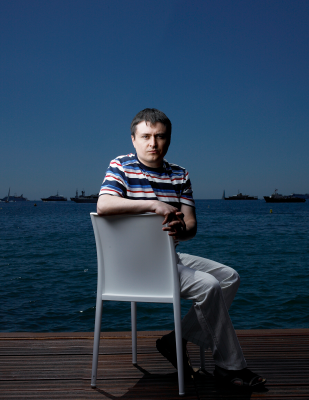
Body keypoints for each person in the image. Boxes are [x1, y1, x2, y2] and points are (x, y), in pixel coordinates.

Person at [97, 108, 266, 388]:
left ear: (169, 139)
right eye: (146, 136)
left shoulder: (179, 175)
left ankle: (176, 339)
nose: (153, 143)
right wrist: (154, 205)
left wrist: (180, 229)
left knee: (229, 278)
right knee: (209, 286)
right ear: (133, 139)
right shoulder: (121, 166)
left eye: (160, 136)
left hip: (167, 257)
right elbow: (103, 204)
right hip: (134, 265)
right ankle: (230, 366)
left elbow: (191, 226)